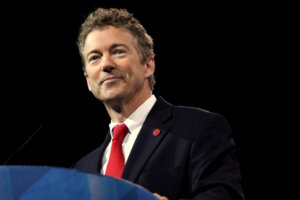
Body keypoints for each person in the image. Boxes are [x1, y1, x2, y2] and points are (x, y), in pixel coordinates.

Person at [74, 7, 245, 200]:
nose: (106, 64)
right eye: (94, 57)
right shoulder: (82, 170)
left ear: (148, 65)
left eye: (118, 51)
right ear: (88, 80)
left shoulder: (197, 129)